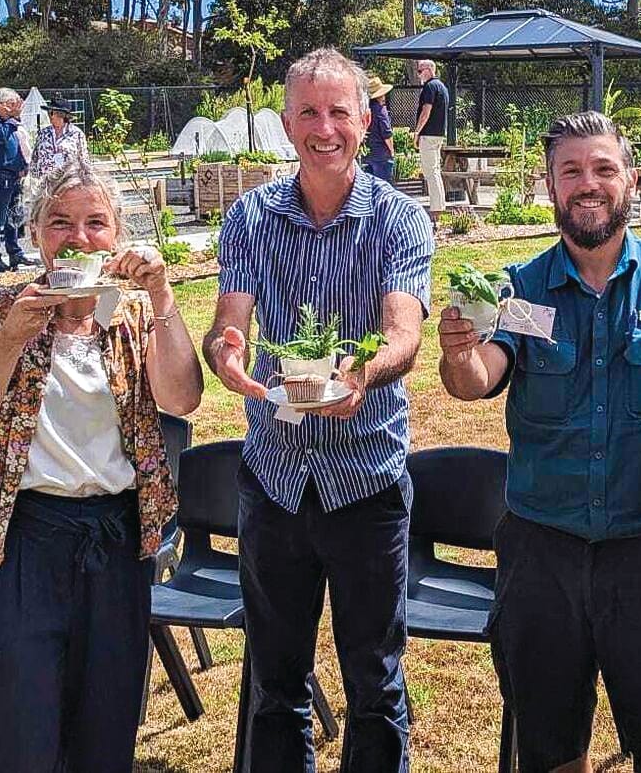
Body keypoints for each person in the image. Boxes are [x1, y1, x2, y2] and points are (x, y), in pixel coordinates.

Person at [437, 110, 641, 773]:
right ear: (550, 185)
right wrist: (460, 355)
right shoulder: (521, 290)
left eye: (603, 168)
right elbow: (480, 378)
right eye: (570, 170)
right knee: (548, 745)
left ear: (631, 179)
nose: (588, 183)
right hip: (540, 550)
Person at [204, 47, 435, 771]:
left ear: (364, 122)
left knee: (374, 682)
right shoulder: (250, 216)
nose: (324, 127)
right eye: (308, 111)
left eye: (340, 112)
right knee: (276, 683)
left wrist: (364, 370)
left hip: (364, 481)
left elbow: (405, 331)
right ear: (286, 122)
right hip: (273, 483)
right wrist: (228, 353)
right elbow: (228, 325)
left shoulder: (398, 219)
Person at [0, 161, 203, 773]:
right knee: (10, 723)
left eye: (95, 223)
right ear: (34, 232)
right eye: (60, 223)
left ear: (116, 236)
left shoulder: (131, 313)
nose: (78, 239)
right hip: (18, 542)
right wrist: (8, 340)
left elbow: (183, 398)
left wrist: (161, 293)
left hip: (115, 541)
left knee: (102, 722)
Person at [0, 87, 37, 271]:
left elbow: (15, 147)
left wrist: (22, 166)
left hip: (13, 176)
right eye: (12, 103)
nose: (16, 107)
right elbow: (1, 138)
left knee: (14, 215)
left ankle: (15, 252)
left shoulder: (8, 122)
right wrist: (13, 119)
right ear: (2, 105)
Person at [413, 58, 448, 218]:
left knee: (430, 172)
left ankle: (436, 210)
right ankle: (439, 205)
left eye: (420, 71)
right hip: (439, 134)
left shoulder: (429, 87)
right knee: (435, 171)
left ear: (428, 70)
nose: (418, 74)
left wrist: (417, 132)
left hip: (428, 134)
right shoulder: (442, 87)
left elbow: (426, 111)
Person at [32, 97, 90, 176]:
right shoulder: (43, 133)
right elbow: (35, 158)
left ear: (62, 115)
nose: (49, 115)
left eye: (52, 112)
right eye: (49, 112)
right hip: (45, 182)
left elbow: (84, 159)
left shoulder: (76, 134)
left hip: (68, 181)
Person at [362, 74, 397, 182]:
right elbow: (387, 134)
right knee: (385, 189)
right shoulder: (381, 110)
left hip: (367, 155)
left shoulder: (364, 110)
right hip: (382, 155)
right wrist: (391, 151)